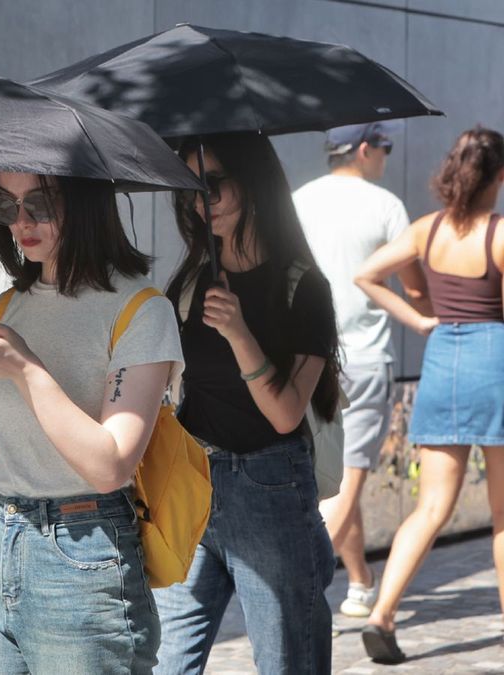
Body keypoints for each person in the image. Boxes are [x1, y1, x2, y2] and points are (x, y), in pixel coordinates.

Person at [0, 171, 182, 673]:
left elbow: (111, 465)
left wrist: (25, 370)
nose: (21, 222)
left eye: (39, 203)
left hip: (83, 557)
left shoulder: (141, 310)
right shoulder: (8, 305)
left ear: (85, 203)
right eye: (6, 205)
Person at [155, 132, 342, 675]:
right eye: (189, 188)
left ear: (252, 182)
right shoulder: (190, 281)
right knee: (166, 663)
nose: (198, 201)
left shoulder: (303, 288)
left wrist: (239, 333)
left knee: (288, 662)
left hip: (270, 490)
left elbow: (284, 414)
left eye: (211, 185)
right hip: (192, 483)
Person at [355, 127, 504, 664]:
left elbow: (367, 275)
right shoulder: (500, 234)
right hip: (495, 361)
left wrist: (418, 318)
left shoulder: (427, 229)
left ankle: (382, 614)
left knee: (431, 505)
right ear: (500, 176)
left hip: (443, 362)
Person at [293, 121, 431, 618]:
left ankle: (360, 579)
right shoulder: (385, 205)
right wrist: (428, 316)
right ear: (366, 149)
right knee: (347, 482)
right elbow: (413, 286)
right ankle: (303, 593)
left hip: (304, 356)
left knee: (327, 478)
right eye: (386, 147)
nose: (387, 157)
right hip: (365, 358)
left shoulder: (298, 200)